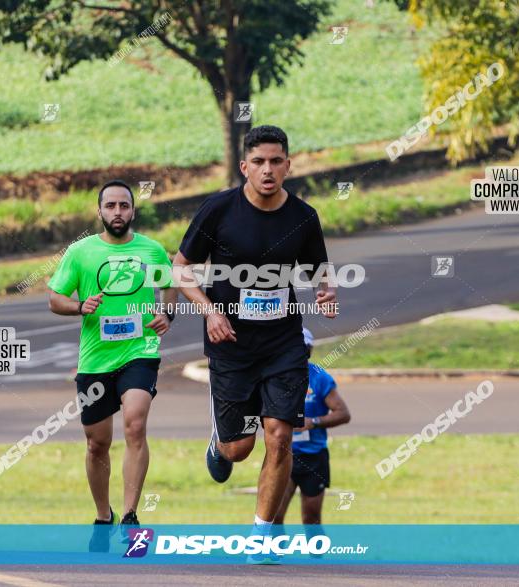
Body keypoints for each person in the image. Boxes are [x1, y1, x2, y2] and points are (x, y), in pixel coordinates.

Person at [173, 125, 337, 563]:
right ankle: (219, 441)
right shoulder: (219, 210)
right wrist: (209, 310)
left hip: (283, 342)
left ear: (288, 165)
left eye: (276, 161)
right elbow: (181, 267)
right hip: (231, 344)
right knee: (239, 449)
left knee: (280, 436)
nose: (268, 170)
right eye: (259, 162)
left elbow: (319, 270)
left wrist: (326, 291)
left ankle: (261, 536)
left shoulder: (303, 217)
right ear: (245, 166)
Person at [48, 180, 176, 551]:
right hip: (95, 359)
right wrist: (79, 306)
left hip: (140, 351)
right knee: (96, 444)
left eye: (124, 205)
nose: (117, 212)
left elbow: (172, 283)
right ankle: (103, 516)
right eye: (111, 206)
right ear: (100, 211)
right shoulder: (81, 252)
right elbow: (55, 298)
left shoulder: (151, 250)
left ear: (133, 210)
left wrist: (166, 312)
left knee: (135, 425)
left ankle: (131, 515)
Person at [273, 327, 351, 534]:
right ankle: (274, 560)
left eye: (302, 349)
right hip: (283, 455)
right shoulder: (275, 377)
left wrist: (313, 422)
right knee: (274, 514)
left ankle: (317, 563)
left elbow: (343, 413)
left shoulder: (319, 378)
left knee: (311, 518)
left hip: (314, 458)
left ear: (309, 350)